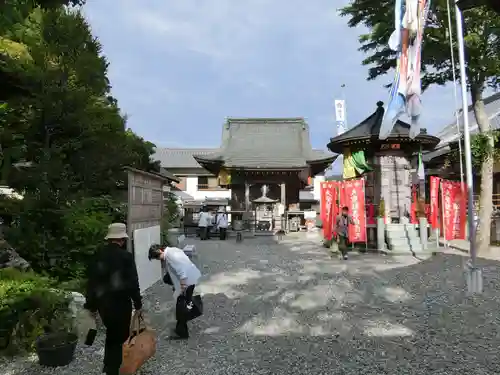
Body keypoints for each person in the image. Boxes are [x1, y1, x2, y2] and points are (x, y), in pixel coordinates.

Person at [84, 223, 143, 375]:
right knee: (121, 337)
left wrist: (90, 305)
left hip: (103, 304)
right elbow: (132, 283)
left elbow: (91, 281)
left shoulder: (97, 255)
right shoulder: (126, 257)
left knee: (111, 332)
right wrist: (138, 303)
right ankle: (115, 368)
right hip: (121, 303)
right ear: (122, 240)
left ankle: (109, 365)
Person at [148, 245, 201, 339]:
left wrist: (183, 287)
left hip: (187, 280)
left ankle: (182, 333)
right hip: (191, 277)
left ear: (161, 250)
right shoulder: (172, 250)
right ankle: (181, 328)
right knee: (183, 304)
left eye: (157, 256)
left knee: (181, 306)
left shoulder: (170, 256)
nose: (158, 259)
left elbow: (182, 271)